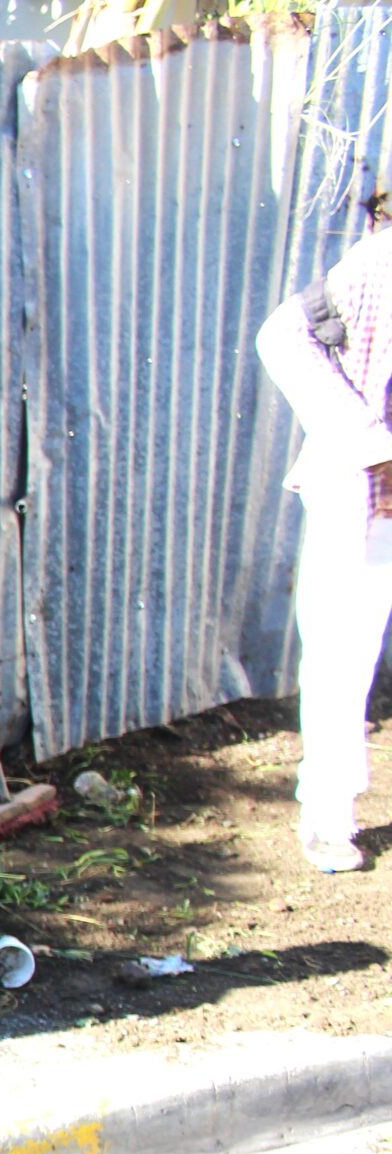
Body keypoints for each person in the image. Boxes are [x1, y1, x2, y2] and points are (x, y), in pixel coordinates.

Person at [256, 228, 392, 874]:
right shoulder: (379, 262)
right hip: (358, 486)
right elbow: (281, 336)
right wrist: (367, 438)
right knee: (341, 646)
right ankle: (327, 814)